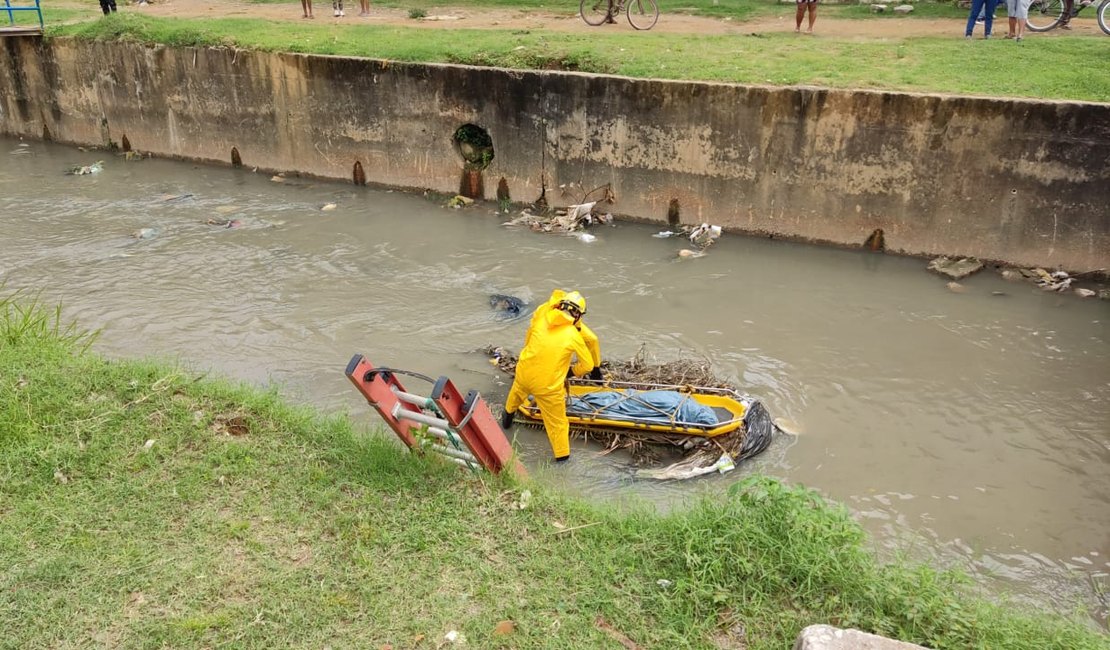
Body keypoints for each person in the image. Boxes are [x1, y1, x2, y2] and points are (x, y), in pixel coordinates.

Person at [501, 289, 603, 463]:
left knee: (516, 395)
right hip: (547, 388)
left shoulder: (542, 315)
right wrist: (570, 373)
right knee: (558, 424)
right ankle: (562, 462)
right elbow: (587, 365)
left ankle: (506, 423)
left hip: (523, 373)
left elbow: (529, 339)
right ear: (577, 315)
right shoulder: (573, 335)